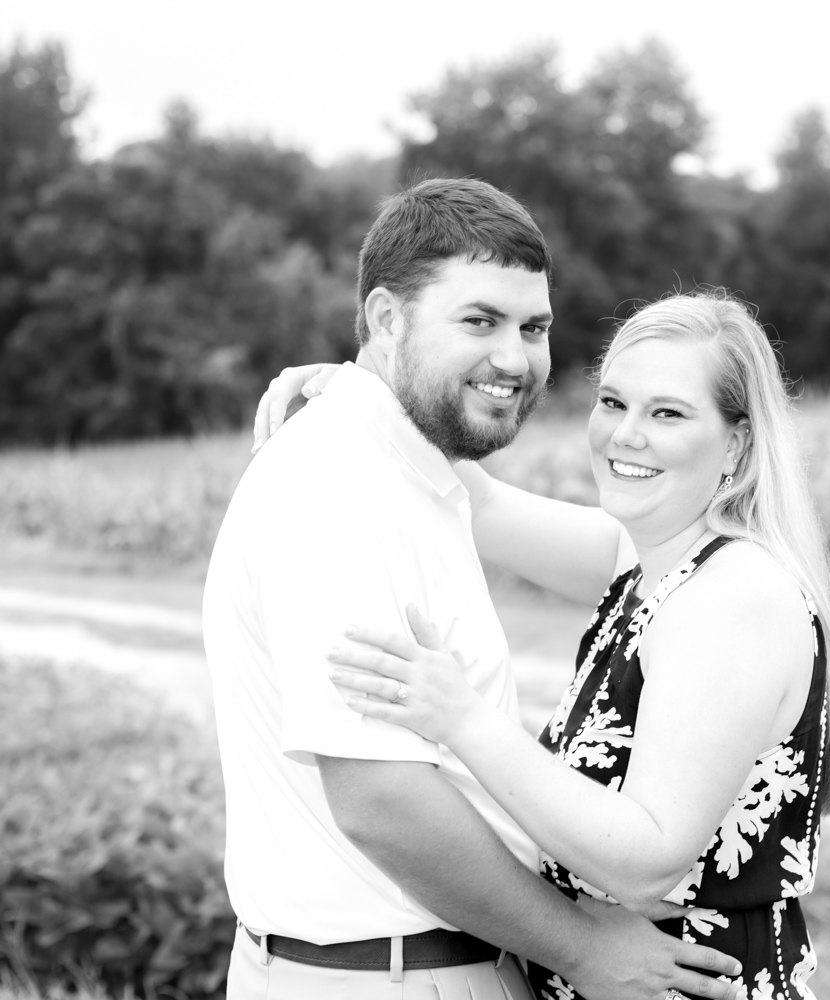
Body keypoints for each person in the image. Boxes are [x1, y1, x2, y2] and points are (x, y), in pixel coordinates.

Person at [202, 178, 743, 1000]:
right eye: (479, 321)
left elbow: (628, 552)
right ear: (387, 319)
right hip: (393, 979)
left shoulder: (411, 470)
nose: (516, 359)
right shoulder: (340, 487)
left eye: (534, 327)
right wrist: (580, 949)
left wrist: (370, 383)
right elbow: (380, 798)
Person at [262, 290, 830, 1000]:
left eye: (667, 413)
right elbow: (481, 504)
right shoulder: (650, 560)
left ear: (737, 442)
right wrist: (374, 389)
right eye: (613, 403)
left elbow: (646, 858)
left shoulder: (735, 596)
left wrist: (462, 717)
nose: (625, 435)